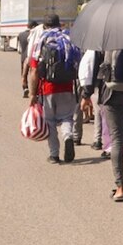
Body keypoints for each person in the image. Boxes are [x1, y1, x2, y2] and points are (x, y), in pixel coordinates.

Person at [80, 48, 123, 201]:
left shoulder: (105, 39)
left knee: (117, 139)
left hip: (111, 93)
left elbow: (92, 67)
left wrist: (86, 94)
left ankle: (120, 187)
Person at [27, 15, 81, 164]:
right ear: (60, 24)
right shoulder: (68, 38)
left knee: (50, 120)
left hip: (47, 88)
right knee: (66, 117)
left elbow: (34, 70)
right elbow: (78, 62)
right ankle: (68, 136)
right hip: (67, 86)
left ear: (45, 26)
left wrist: (32, 93)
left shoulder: (41, 40)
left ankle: (54, 154)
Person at [18, 19, 38, 97]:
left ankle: (25, 88)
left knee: (24, 74)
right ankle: (35, 90)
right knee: (33, 73)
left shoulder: (21, 34)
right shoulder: (34, 34)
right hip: (32, 56)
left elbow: (20, 47)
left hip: (23, 56)